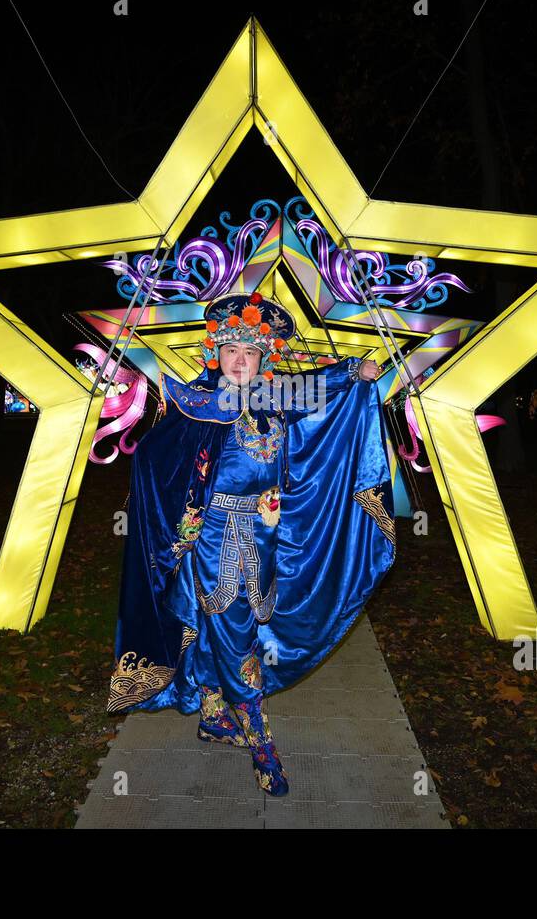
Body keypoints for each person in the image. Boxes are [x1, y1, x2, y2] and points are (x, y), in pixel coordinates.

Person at [105, 292, 396, 796]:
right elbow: (154, 459)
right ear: (216, 354)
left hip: (263, 538)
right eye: (232, 352)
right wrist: (183, 525)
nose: (241, 362)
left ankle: (215, 715)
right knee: (237, 638)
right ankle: (262, 743)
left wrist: (354, 374)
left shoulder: (270, 398)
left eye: (251, 353)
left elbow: (313, 388)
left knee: (214, 629)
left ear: (264, 359)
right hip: (215, 544)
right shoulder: (200, 403)